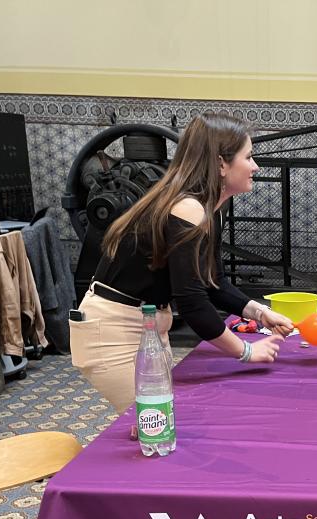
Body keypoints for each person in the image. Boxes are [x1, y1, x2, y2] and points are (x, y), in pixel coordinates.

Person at [70, 113, 294, 415]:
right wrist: (248, 351)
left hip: (145, 326)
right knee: (159, 423)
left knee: (159, 426)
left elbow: (213, 283)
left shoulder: (206, 209)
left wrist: (259, 312)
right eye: (249, 157)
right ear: (221, 164)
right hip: (112, 332)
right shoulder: (188, 208)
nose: (255, 167)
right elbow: (193, 303)